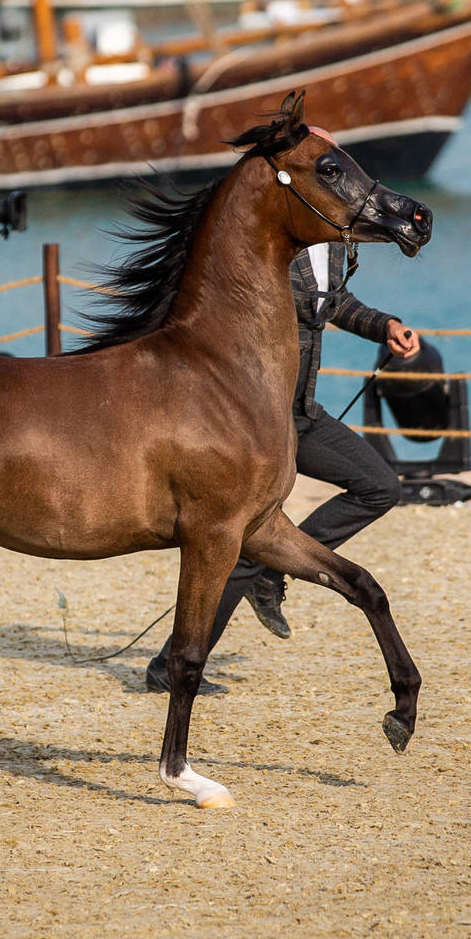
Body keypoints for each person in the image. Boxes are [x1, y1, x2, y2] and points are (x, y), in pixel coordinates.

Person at [145, 238, 421, 695]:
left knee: (379, 485)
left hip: (300, 413)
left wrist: (385, 326)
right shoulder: (277, 238)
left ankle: (274, 572)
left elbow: (333, 303)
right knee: (240, 551)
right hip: (252, 419)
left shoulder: (335, 243)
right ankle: (170, 666)